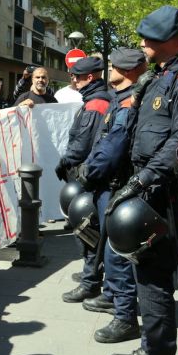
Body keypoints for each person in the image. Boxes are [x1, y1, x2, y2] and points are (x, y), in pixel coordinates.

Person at [105, 6, 178, 355]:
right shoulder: (159, 76)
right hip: (145, 188)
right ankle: (154, 350)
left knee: (154, 277)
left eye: (148, 37)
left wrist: (141, 180)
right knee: (144, 273)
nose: (141, 43)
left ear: (168, 39)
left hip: (162, 191)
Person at [77, 48, 148, 345]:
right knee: (110, 249)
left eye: (115, 65)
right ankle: (116, 301)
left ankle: (125, 317)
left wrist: (89, 171)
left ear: (127, 70)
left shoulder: (129, 101)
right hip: (111, 184)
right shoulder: (121, 98)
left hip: (116, 185)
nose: (111, 68)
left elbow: (113, 146)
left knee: (116, 254)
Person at [55, 56, 112, 304]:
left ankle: (91, 281)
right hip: (94, 174)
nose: (73, 80)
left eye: (76, 76)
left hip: (88, 176)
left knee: (86, 226)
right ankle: (93, 274)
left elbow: (81, 144)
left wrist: (64, 163)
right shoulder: (98, 100)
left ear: (90, 78)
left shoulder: (96, 104)